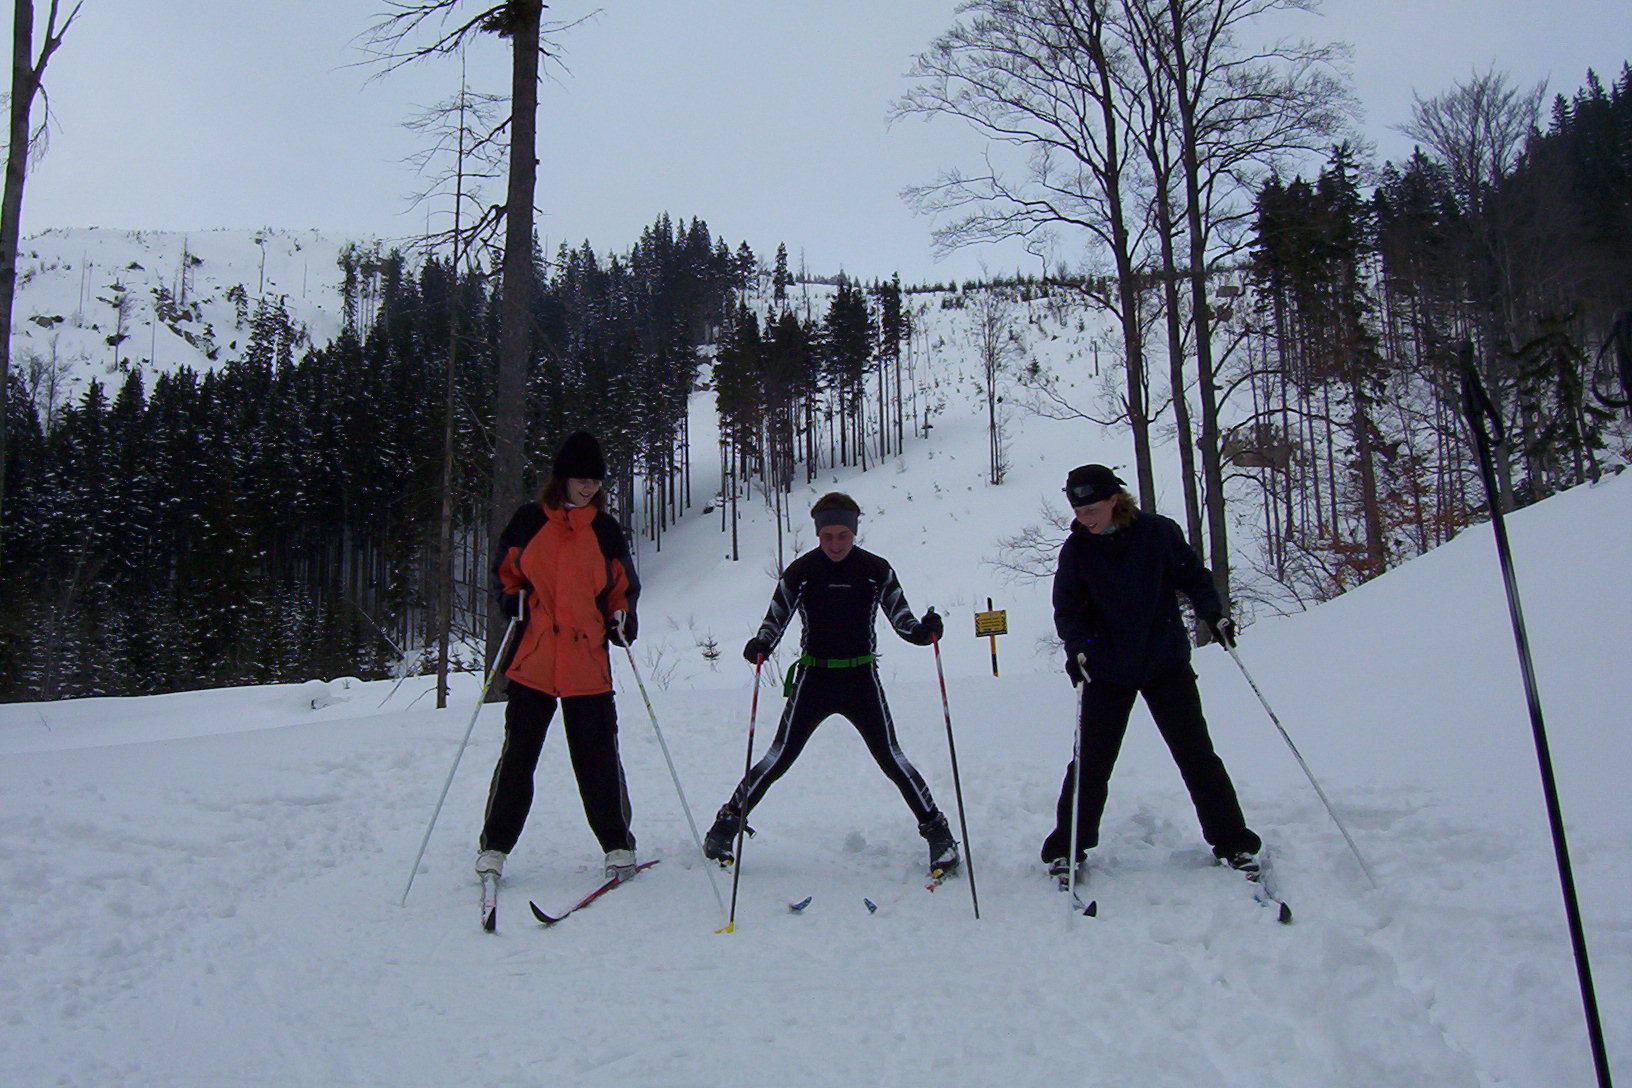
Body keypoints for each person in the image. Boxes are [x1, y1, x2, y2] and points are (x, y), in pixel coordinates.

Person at [702, 492, 960, 876]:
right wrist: (761, 644)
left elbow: (902, 619)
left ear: (854, 531)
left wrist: (924, 633)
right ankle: (724, 826)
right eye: (828, 536)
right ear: (817, 534)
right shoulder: (802, 571)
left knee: (892, 757)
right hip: (815, 677)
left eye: (843, 535)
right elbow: (776, 617)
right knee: (777, 758)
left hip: (861, 677)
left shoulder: (876, 569)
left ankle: (938, 833)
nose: (836, 544)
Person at [1042, 463, 1261, 878]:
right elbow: (1068, 609)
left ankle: (1233, 841)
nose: (1085, 518)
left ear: (1113, 500)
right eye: (1078, 510)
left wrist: (1213, 616)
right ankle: (1067, 847)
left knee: (1196, 754)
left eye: (1092, 509)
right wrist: (1078, 649)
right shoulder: (1076, 551)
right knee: (1089, 763)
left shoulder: (1157, 533)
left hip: (1164, 662)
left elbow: (1195, 579)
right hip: (1105, 670)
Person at [474, 431, 643, 885]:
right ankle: (494, 847)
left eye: (596, 480)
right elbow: (505, 573)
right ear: (562, 479)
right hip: (534, 660)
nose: (589, 487)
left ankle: (618, 845)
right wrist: (513, 602)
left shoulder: (605, 530)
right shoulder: (529, 522)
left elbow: (621, 587)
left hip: (587, 661)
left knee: (598, 757)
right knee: (518, 757)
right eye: (581, 479)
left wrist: (623, 618)